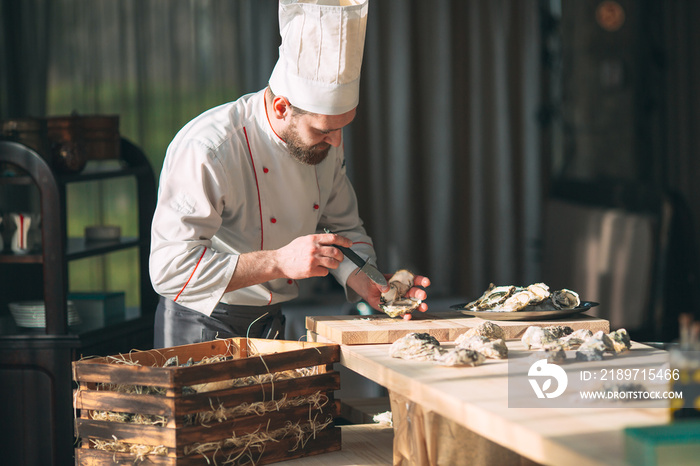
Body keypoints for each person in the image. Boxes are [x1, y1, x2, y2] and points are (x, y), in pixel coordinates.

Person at [149, 0, 430, 348]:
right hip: (201, 325)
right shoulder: (209, 149)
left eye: (342, 128)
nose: (337, 141)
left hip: (272, 322)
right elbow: (170, 269)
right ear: (282, 107)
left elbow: (342, 228)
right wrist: (280, 261)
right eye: (324, 131)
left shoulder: (325, 143)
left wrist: (364, 278)